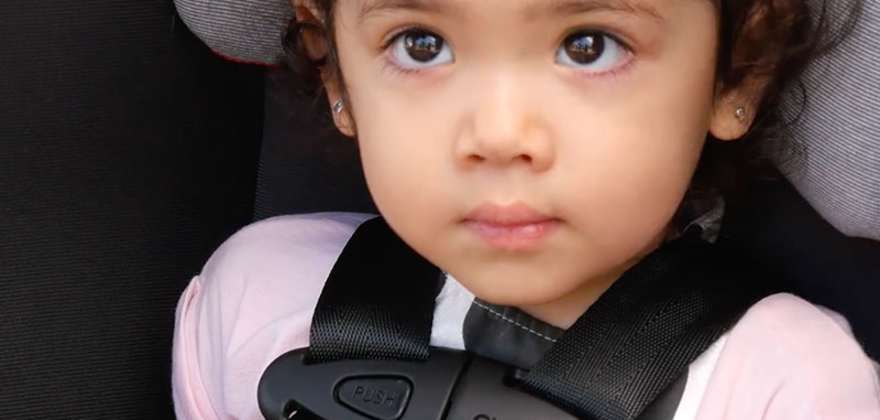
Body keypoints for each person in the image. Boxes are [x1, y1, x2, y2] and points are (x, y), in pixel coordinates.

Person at [171, 0, 880, 418]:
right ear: (338, 74)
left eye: (588, 45)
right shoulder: (259, 302)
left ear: (738, 70)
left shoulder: (782, 388)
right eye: (422, 45)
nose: (500, 135)